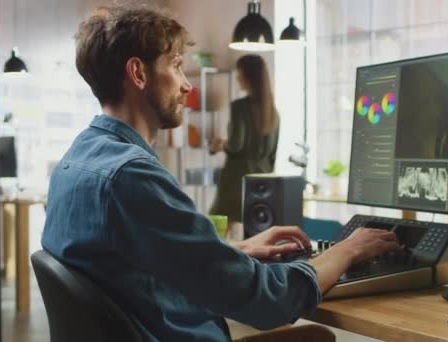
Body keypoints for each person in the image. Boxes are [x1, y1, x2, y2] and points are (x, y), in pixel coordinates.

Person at [41, 4, 400, 341]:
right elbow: (266, 301)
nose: (187, 84)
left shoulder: (74, 163)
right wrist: (346, 251)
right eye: (177, 65)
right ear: (137, 73)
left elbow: (134, 267)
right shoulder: (132, 178)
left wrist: (234, 253)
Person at [209, 54, 278, 233]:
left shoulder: (239, 107)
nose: (238, 78)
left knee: (218, 228)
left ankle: (215, 261)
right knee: (255, 230)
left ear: (248, 77)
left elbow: (235, 145)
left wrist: (220, 144)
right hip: (262, 182)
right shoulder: (273, 111)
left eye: (240, 74)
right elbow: (272, 155)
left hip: (237, 179)